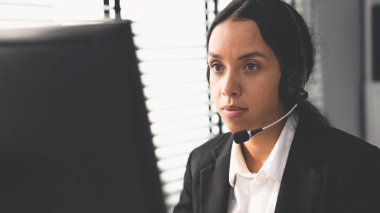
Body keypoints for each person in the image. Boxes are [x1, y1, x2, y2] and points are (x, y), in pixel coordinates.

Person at [173, 0, 380, 212]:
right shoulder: (200, 164)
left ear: (291, 80)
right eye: (217, 66)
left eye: (250, 66)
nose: (228, 88)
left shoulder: (359, 168)